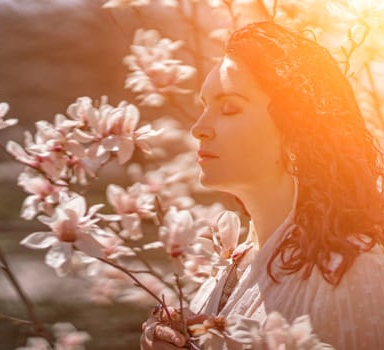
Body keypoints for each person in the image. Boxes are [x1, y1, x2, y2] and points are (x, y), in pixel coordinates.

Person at [141, 21, 384, 350]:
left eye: (229, 108)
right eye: (204, 107)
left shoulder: (354, 273)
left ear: (295, 131)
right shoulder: (235, 261)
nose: (199, 128)